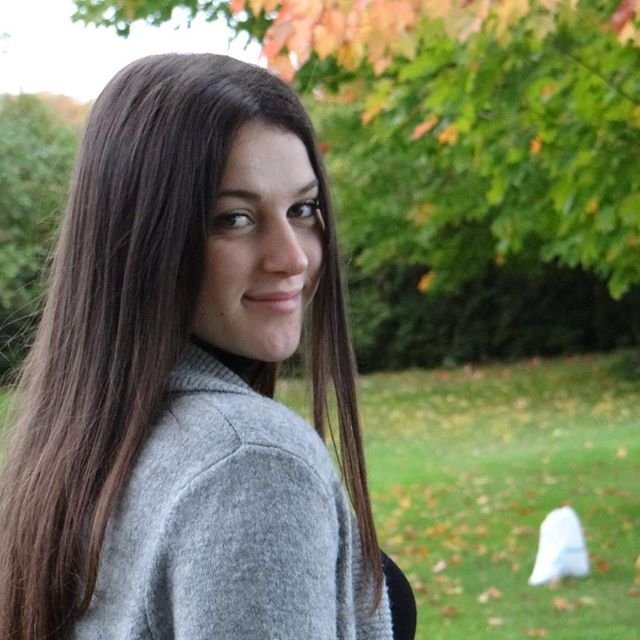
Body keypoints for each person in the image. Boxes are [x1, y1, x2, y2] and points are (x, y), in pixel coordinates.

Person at [0, 53, 416, 639]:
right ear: (145, 241)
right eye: (234, 219)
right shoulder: (252, 462)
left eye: (302, 209)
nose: (292, 257)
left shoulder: (67, 457)